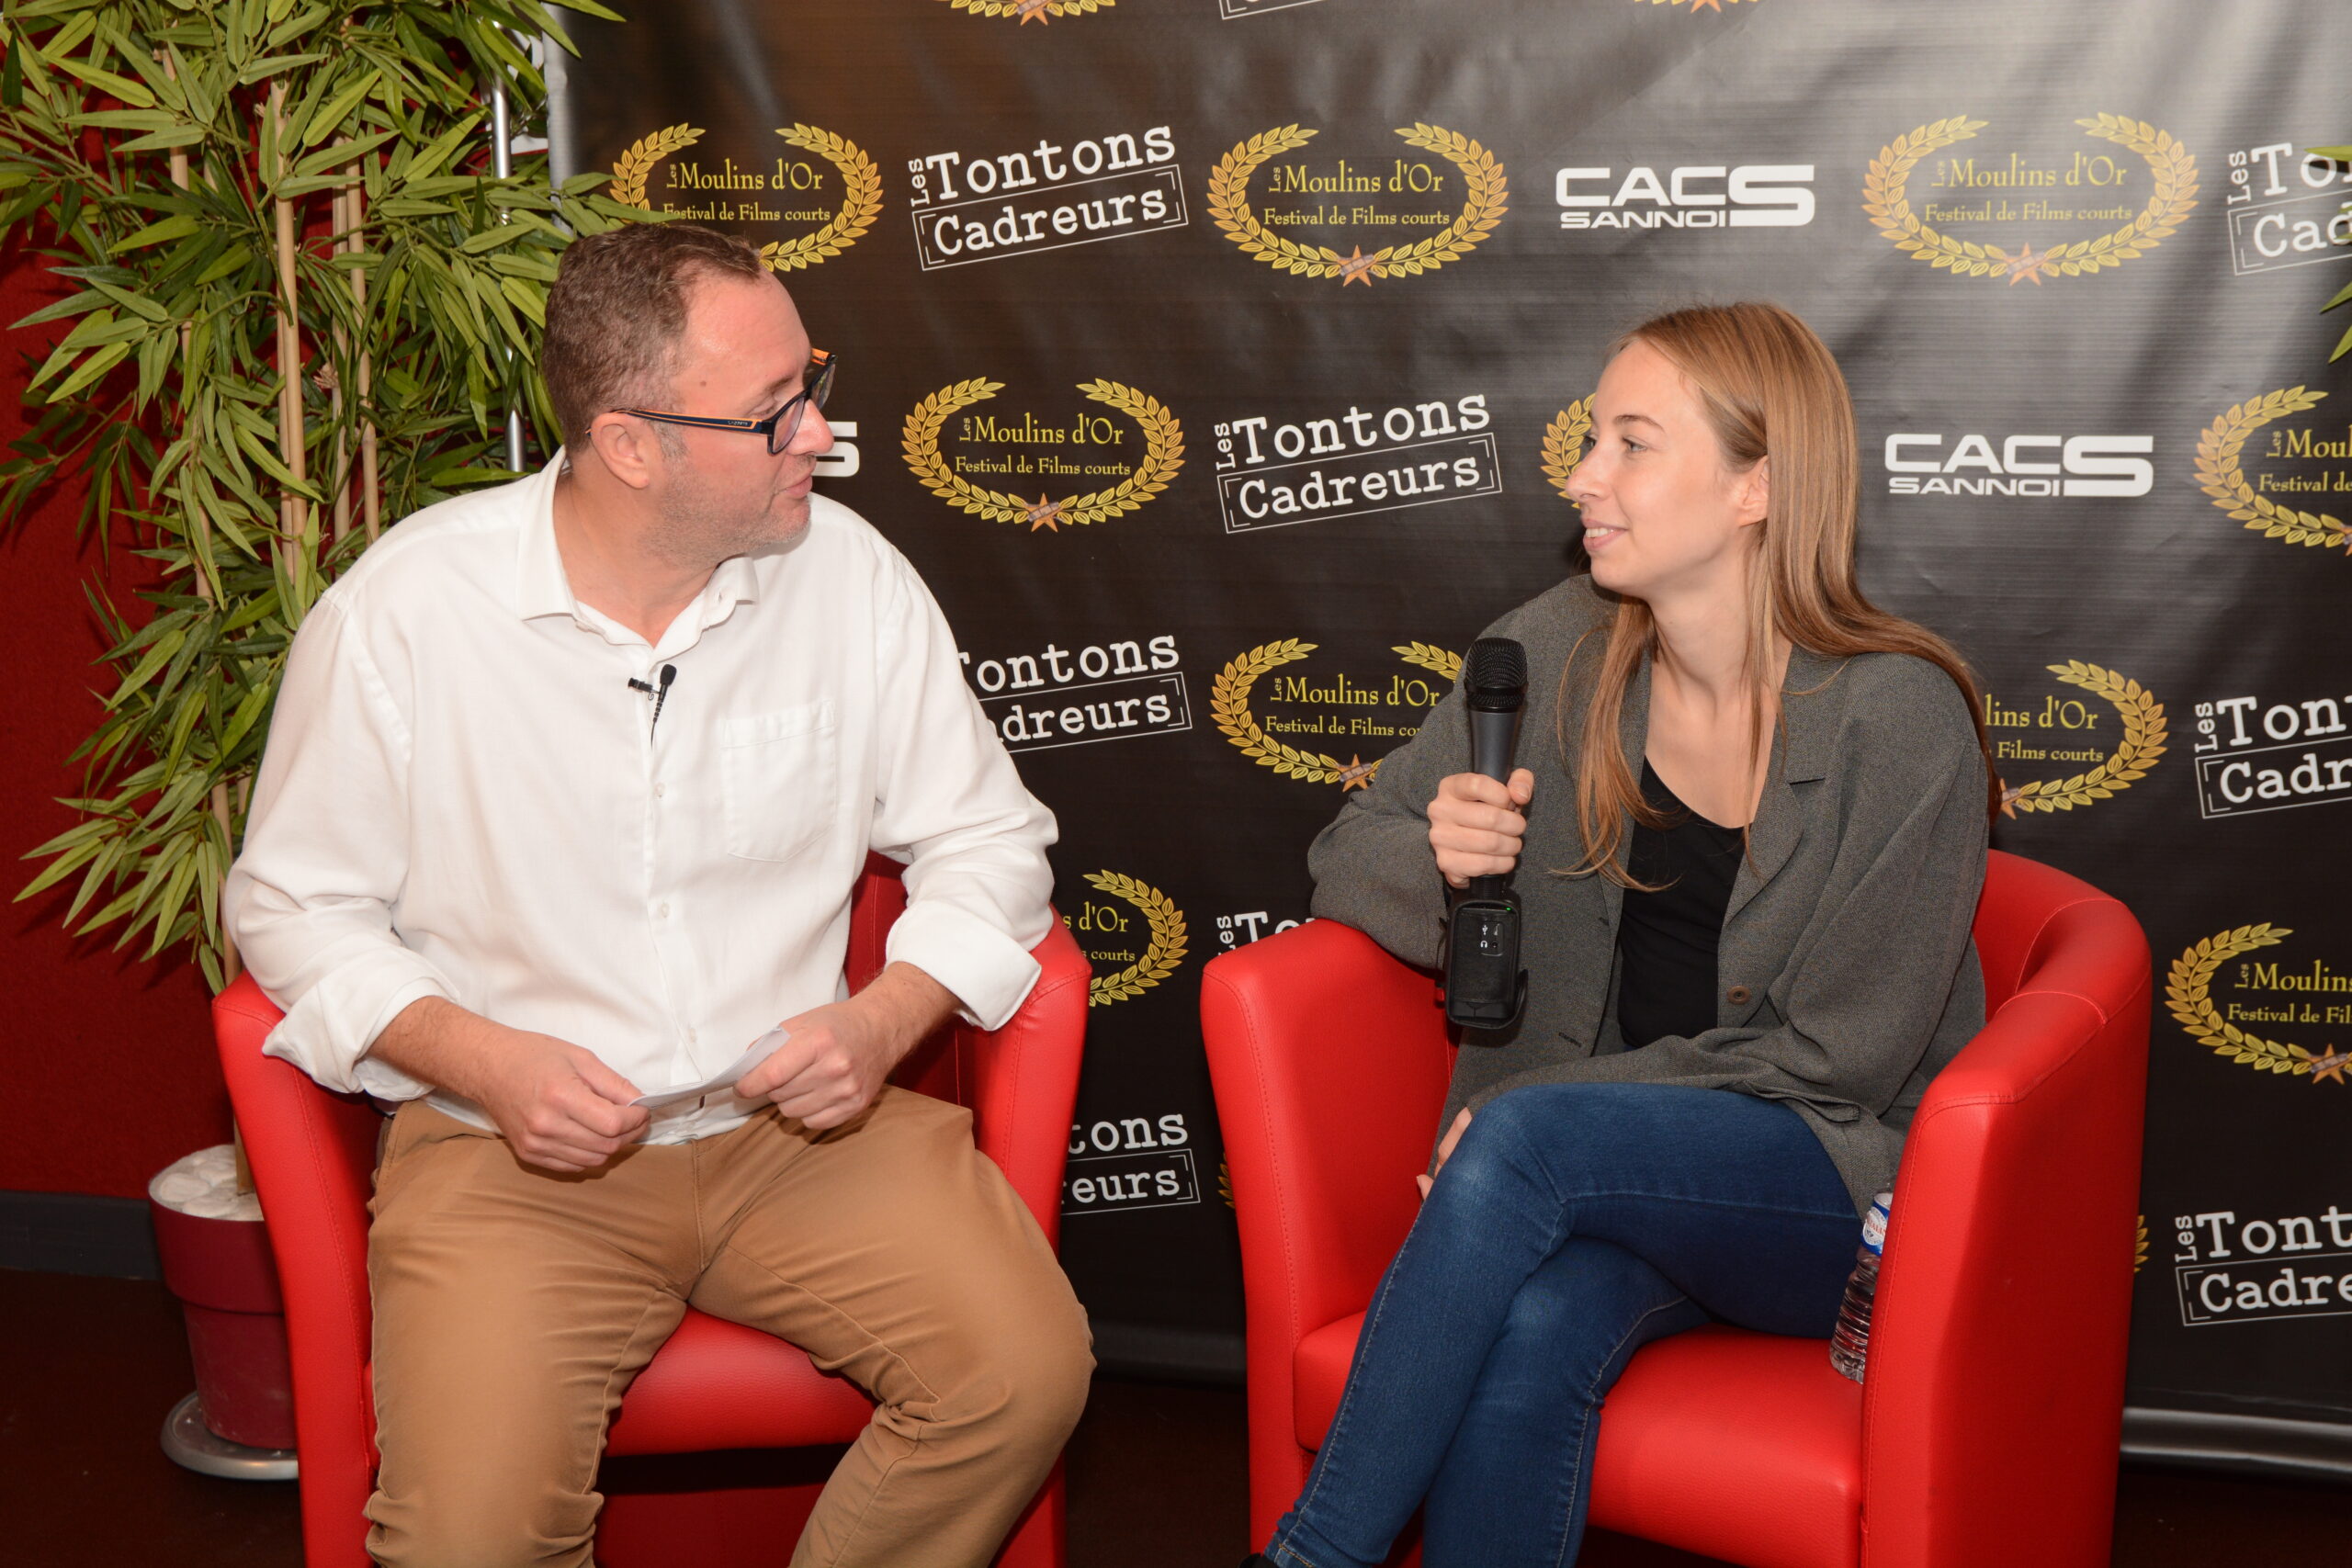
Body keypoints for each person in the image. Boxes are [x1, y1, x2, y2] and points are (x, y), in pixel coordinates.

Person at [225, 221, 1093, 1568]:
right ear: (630, 445)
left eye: (813, 383)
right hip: (511, 1156)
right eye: (774, 410)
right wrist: (486, 1060)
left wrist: (880, 1023)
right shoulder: (407, 613)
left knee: (1024, 1375)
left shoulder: (851, 577)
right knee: (465, 1544)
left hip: (797, 1137)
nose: (821, 436)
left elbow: (991, 843)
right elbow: (292, 908)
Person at [1244, 302, 1996, 1568]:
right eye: (1593, 439)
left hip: (1827, 1192)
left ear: (1758, 487)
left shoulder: (1900, 718)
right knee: (1536, 1325)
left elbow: (1839, 1061)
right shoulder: (1557, 650)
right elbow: (1348, 852)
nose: (1583, 478)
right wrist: (1448, 860)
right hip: (1594, 1186)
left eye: (1632, 444)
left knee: (1527, 1139)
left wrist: (1544, 1116)